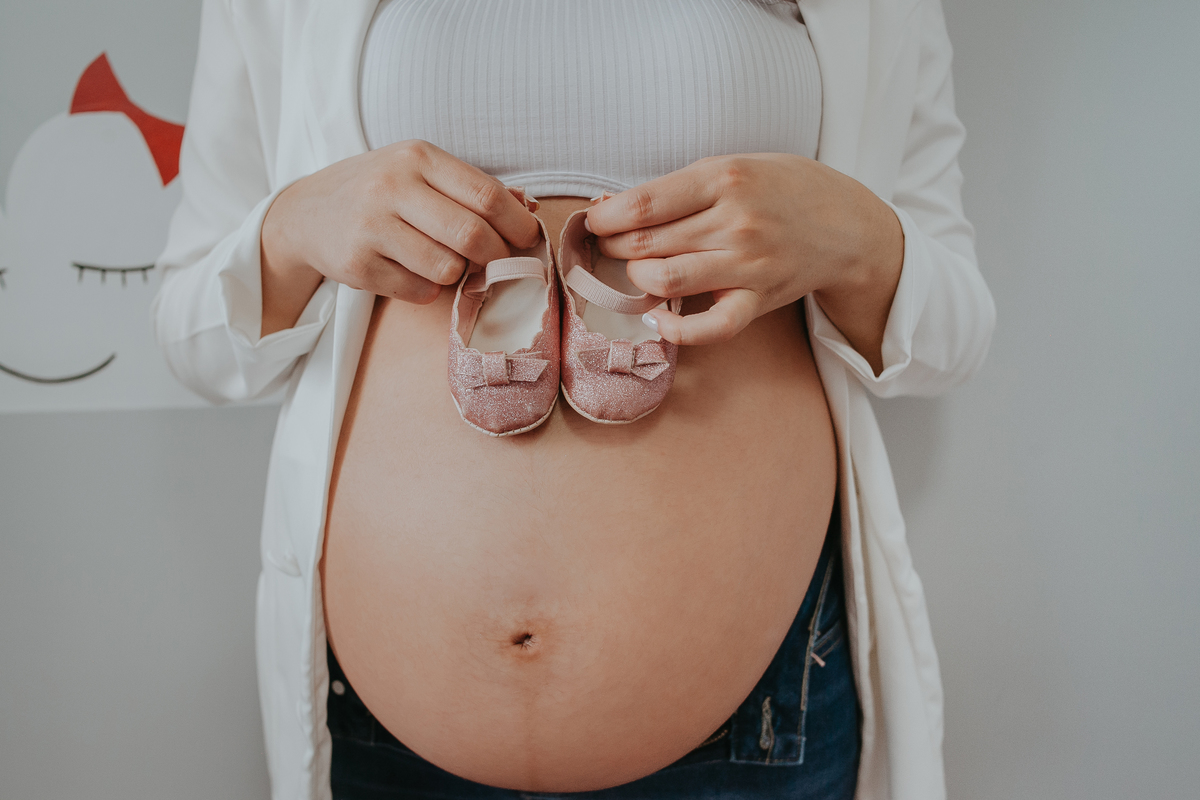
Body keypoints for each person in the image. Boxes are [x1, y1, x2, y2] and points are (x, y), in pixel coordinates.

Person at [152, 0, 995, 798]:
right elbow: (194, 336)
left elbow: (953, 333)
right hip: (382, 733)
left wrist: (854, 237)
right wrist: (295, 226)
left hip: (755, 728)